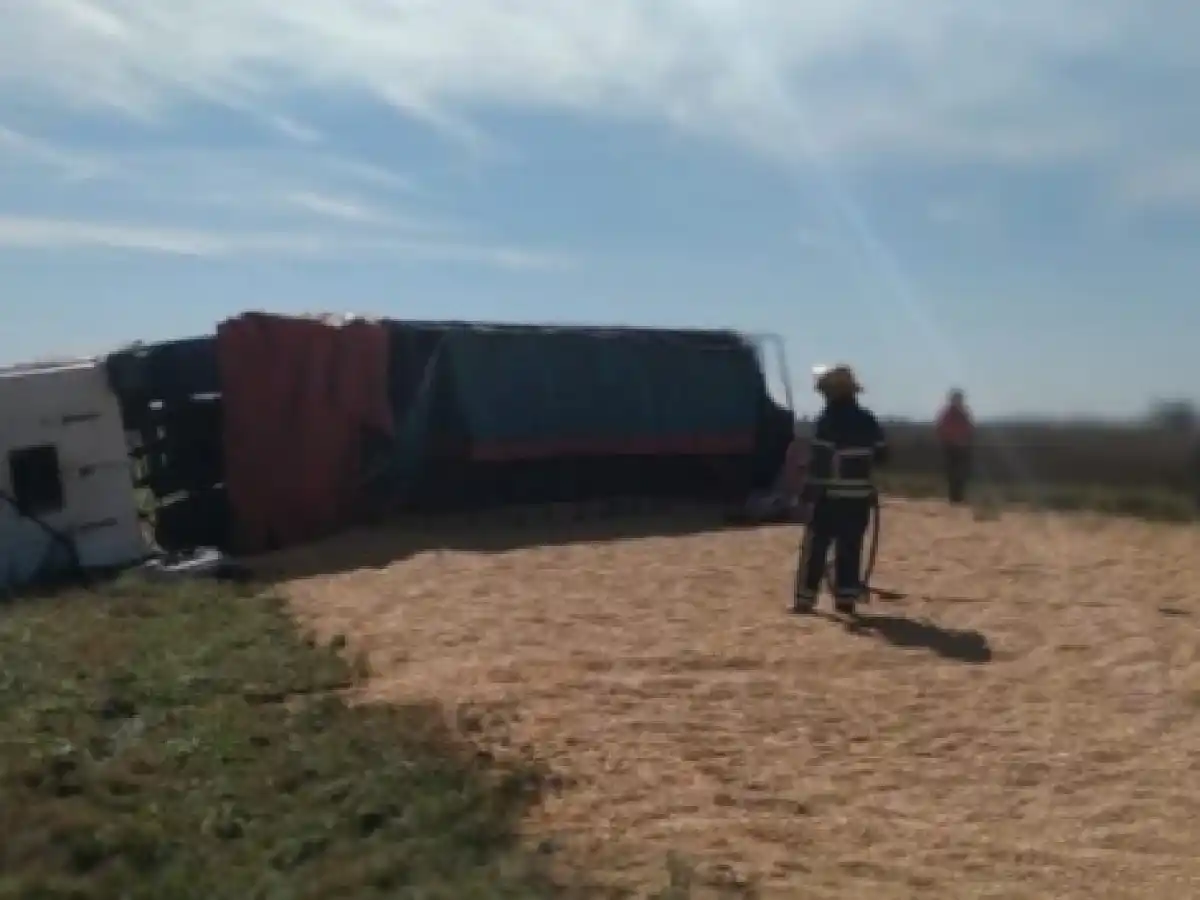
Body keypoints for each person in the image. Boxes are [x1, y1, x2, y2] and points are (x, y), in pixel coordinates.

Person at [794, 364, 888, 615]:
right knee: (850, 547)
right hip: (859, 498)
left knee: (816, 547)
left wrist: (807, 494)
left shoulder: (827, 421)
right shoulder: (868, 420)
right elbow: (882, 456)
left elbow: (820, 463)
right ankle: (846, 598)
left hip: (830, 497)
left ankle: (806, 599)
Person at [935, 388, 974, 504]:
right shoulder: (948, 413)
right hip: (951, 446)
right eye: (957, 399)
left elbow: (969, 428)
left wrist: (966, 439)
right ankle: (954, 496)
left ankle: (959, 496)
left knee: (961, 472)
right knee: (953, 472)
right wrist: (948, 439)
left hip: (962, 446)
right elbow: (941, 428)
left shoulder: (964, 413)